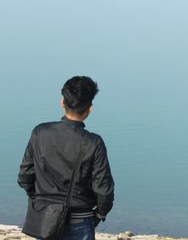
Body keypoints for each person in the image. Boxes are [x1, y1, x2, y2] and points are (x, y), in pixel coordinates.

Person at [18, 76, 115, 240]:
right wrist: (99, 214)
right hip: (80, 219)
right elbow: (104, 189)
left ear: (62, 102)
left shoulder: (40, 132)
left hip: (45, 218)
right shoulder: (94, 142)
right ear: (90, 108)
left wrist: (39, 199)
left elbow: (25, 177)